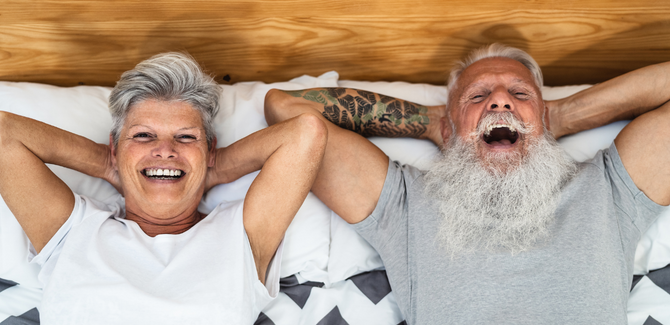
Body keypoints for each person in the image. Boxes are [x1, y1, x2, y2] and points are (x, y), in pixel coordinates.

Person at [264, 44, 670, 324]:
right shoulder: (405, 204)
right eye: (477, 96)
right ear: (446, 125)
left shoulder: (610, 189)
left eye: (518, 92)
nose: (499, 101)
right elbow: (285, 110)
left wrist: (561, 115)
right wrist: (433, 123)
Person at [0, 52, 328, 324]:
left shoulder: (242, 234)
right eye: (143, 136)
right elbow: (4, 133)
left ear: (210, 149)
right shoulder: (74, 230)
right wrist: (104, 162)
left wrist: (213, 168)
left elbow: (305, 133)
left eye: (186, 137)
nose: (166, 150)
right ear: (115, 147)